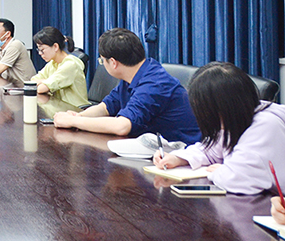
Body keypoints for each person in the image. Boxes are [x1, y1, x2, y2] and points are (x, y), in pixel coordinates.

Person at [153, 62, 285, 194]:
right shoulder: (239, 117)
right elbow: (211, 150)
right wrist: (178, 158)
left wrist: (220, 172)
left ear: (223, 106)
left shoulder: (266, 125)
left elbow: (238, 180)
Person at [54, 28, 201, 143]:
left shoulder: (154, 83)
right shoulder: (132, 76)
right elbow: (106, 107)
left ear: (113, 62)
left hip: (182, 155)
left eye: (102, 60)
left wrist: (75, 121)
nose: (102, 64)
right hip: (153, 149)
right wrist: (78, 116)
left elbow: (122, 126)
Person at [31, 26, 89, 108]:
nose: (40, 53)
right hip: (58, 107)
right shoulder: (53, 63)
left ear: (55, 47)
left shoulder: (71, 64)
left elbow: (41, 89)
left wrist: (44, 82)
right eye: (38, 50)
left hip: (74, 110)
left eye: (42, 50)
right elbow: (32, 82)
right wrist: (47, 80)